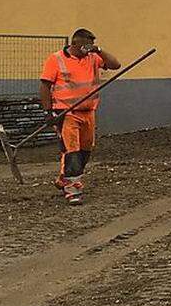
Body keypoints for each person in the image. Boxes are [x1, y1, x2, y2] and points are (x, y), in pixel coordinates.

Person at [40, 28, 121, 205]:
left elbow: (116, 65)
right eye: (86, 44)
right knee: (72, 151)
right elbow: (45, 85)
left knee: (86, 150)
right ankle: (73, 189)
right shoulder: (56, 59)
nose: (88, 48)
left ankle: (65, 178)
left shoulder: (93, 57)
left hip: (88, 111)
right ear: (75, 43)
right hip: (66, 112)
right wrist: (48, 111)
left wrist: (99, 51)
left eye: (91, 45)